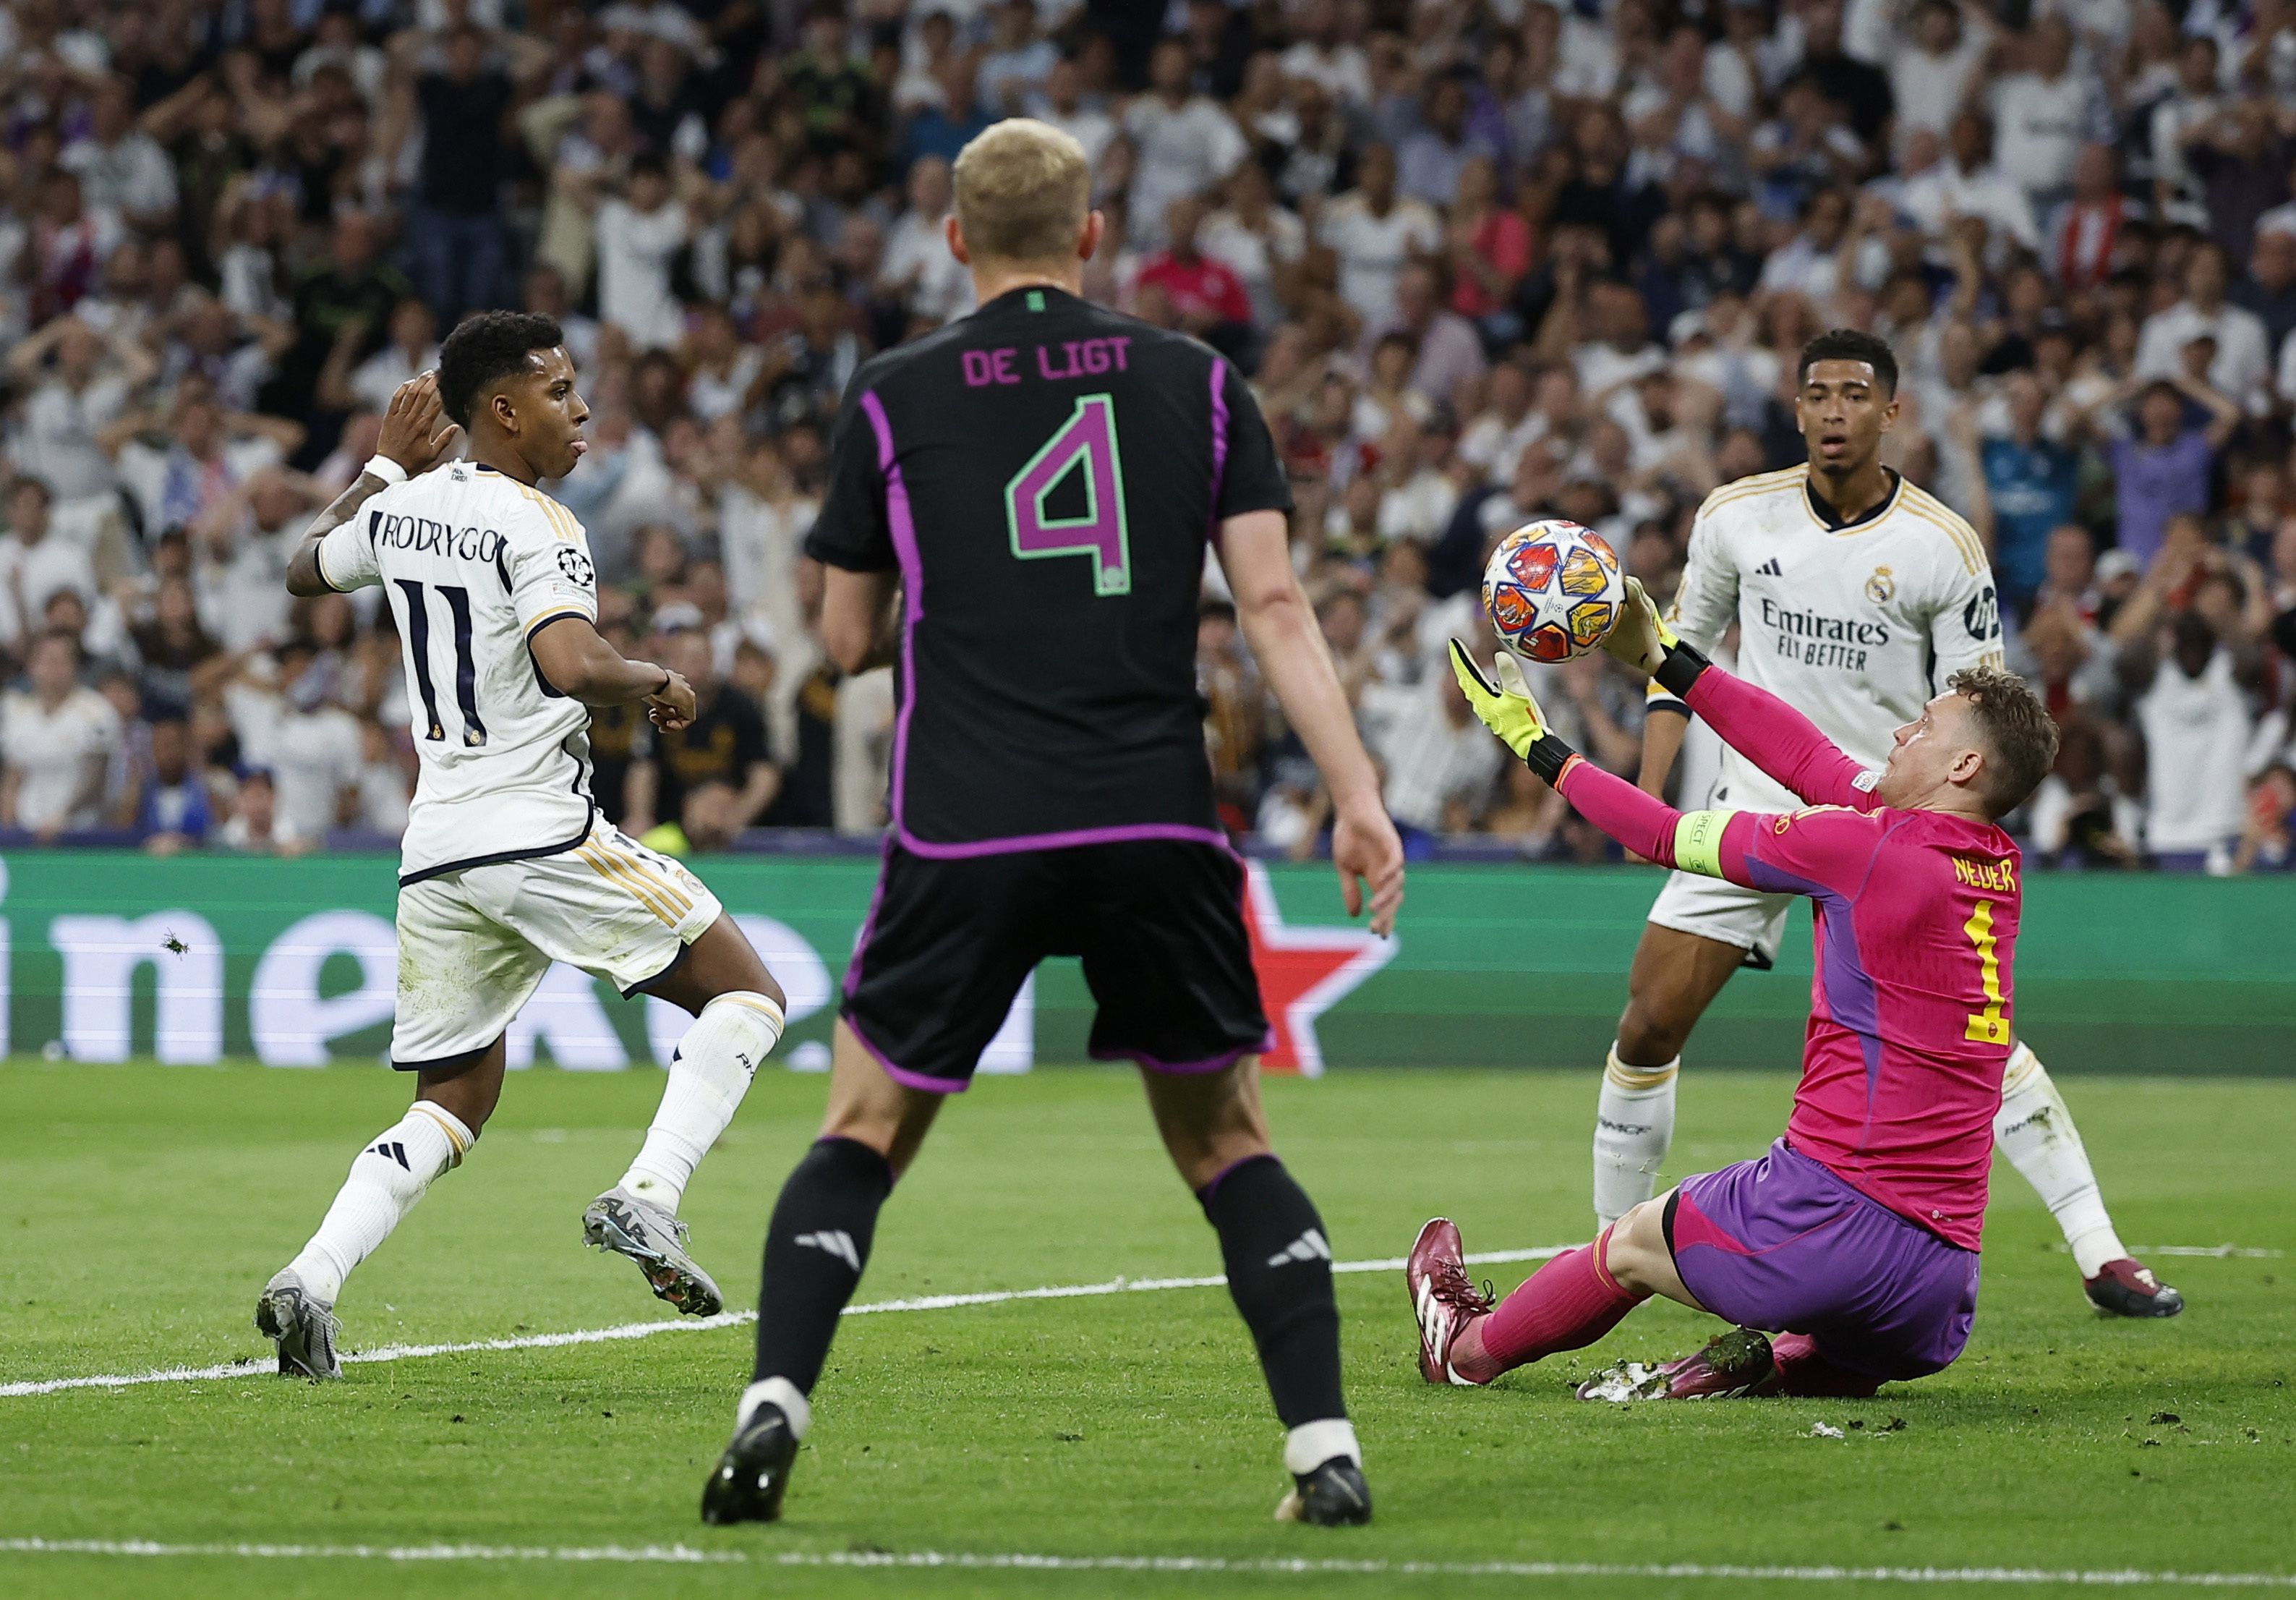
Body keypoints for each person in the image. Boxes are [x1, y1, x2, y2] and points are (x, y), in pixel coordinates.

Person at [701, 119, 1404, 1530]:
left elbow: (843, 638)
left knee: (864, 1124)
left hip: (966, 824)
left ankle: (773, 1403)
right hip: (1150, 816)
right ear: (1094, 235)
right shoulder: (1198, 383)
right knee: (1226, 1143)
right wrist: (1358, 791)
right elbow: (1271, 607)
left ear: (955, 238)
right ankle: (1321, 1444)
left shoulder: (894, 394)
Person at [1596, 328, 2180, 1318]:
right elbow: (1673, 658)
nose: (1833, 413)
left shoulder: (1940, 545)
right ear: (1794, 410)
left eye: (1853, 395)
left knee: (1967, 1036)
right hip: (1758, 806)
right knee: (1647, 1021)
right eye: (1815, 394)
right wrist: (1648, 800)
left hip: (1885, 821)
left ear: (1889, 411)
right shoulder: (1734, 518)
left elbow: (1983, 706)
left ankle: (2097, 1247)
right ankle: (1603, 1251)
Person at [254, 328, 789, 1380]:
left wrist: (378, 467)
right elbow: (571, 660)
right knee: (748, 996)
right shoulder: (539, 520)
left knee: (452, 1102)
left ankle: (311, 1277)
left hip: (438, 848)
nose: (580, 410)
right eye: (558, 391)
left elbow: (304, 568)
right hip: (535, 829)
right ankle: (649, 1196)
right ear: (503, 412)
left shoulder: (401, 509)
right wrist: (658, 679)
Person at [1413, 584, 2061, 1400]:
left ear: (1963, 764)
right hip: (1938, 1288)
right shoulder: (1994, 866)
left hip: (1827, 1222)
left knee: (1628, 1244)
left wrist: (1536, 744)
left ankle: (1465, 1348)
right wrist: (1663, 659)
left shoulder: (1858, 849)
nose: (1901, 731)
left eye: (1923, 725)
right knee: (1831, 1338)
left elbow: (1658, 833)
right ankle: (1779, 1363)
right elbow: (1808, 760)